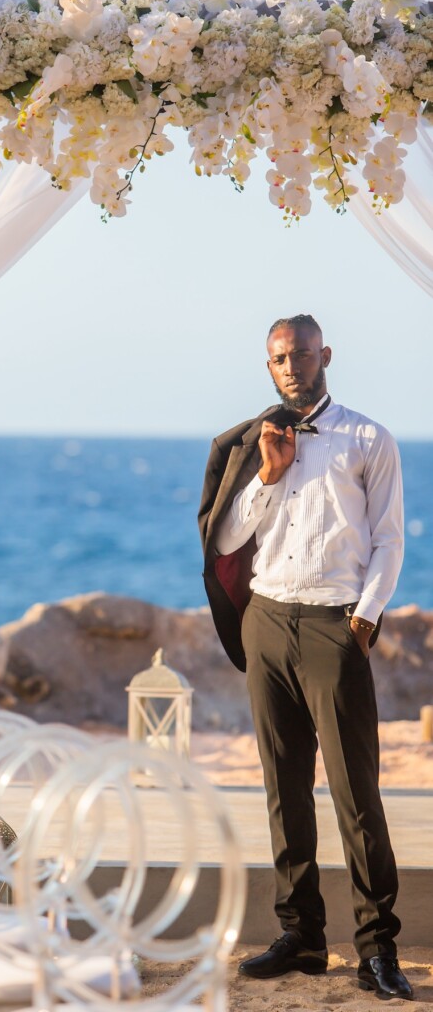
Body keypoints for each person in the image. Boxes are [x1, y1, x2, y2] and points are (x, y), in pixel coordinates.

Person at [197, 314, 413, 1001]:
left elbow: (388, 539)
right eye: (277, 358)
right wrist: (266, 474)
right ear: (269, 367)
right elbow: (227, 537)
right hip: (265, 621)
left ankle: (377, 948)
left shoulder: (368, 438)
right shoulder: (258, 440)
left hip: (331, 626)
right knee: (283, 788)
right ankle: (302, 938)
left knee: (355, 795)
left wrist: (363, 620)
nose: (289, 366)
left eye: (299, 354)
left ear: (325, 354)